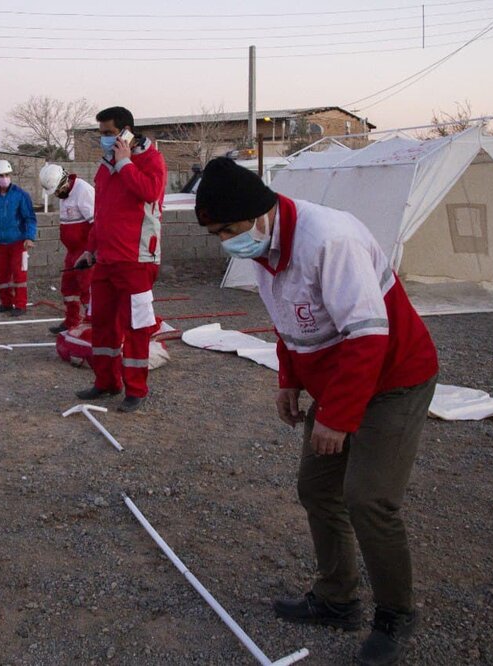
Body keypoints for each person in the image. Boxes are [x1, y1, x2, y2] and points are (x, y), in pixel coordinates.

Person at [195, 157, 439, 666]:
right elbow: (289, 320)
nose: (225, 241)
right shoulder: (263, 247)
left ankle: (395, 615)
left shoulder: (329, 240)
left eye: (229, 229)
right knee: (318, 488)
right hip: (335, 378)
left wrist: (338, 417)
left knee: (369, 498)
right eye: (215, 232)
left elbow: (369, 335)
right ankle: (337, 599)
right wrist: (290, 381)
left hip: (394, 376)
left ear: (260, 213)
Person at [74, 106, 166, 413]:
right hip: (106, 260)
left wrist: (126, 163)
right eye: (101, 134)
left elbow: (150, 192)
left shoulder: (150, 159)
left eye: (109, 133)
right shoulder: (105, 166)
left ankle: (136, 389)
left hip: (137, 259)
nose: (104, 139)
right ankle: (106, 382)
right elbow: (100, 213)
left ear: (127, 131)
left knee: (136, 326)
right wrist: (90, 249)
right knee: (102, 323)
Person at [39, 163, 95, 334]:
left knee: (87, 288)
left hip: (85, 250)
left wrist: (91, 252)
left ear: (64, 181)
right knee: (69, 287)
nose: (56, 195)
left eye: (57, 190)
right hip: (72, 251)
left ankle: (93, 323)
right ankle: (72, 320)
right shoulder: (65, 194)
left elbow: (97, 224)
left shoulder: (83, 191)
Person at [0, 159, 37, 316]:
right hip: (0, 243)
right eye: (0, 175)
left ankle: (20, 305)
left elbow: (30, 218)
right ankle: (6, 303)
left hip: (18, 242)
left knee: (19, 274)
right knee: (2, 273)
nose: (4, 178)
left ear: (10, 175)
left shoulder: (20, 195)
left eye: (6, 175)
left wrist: (30, 237)